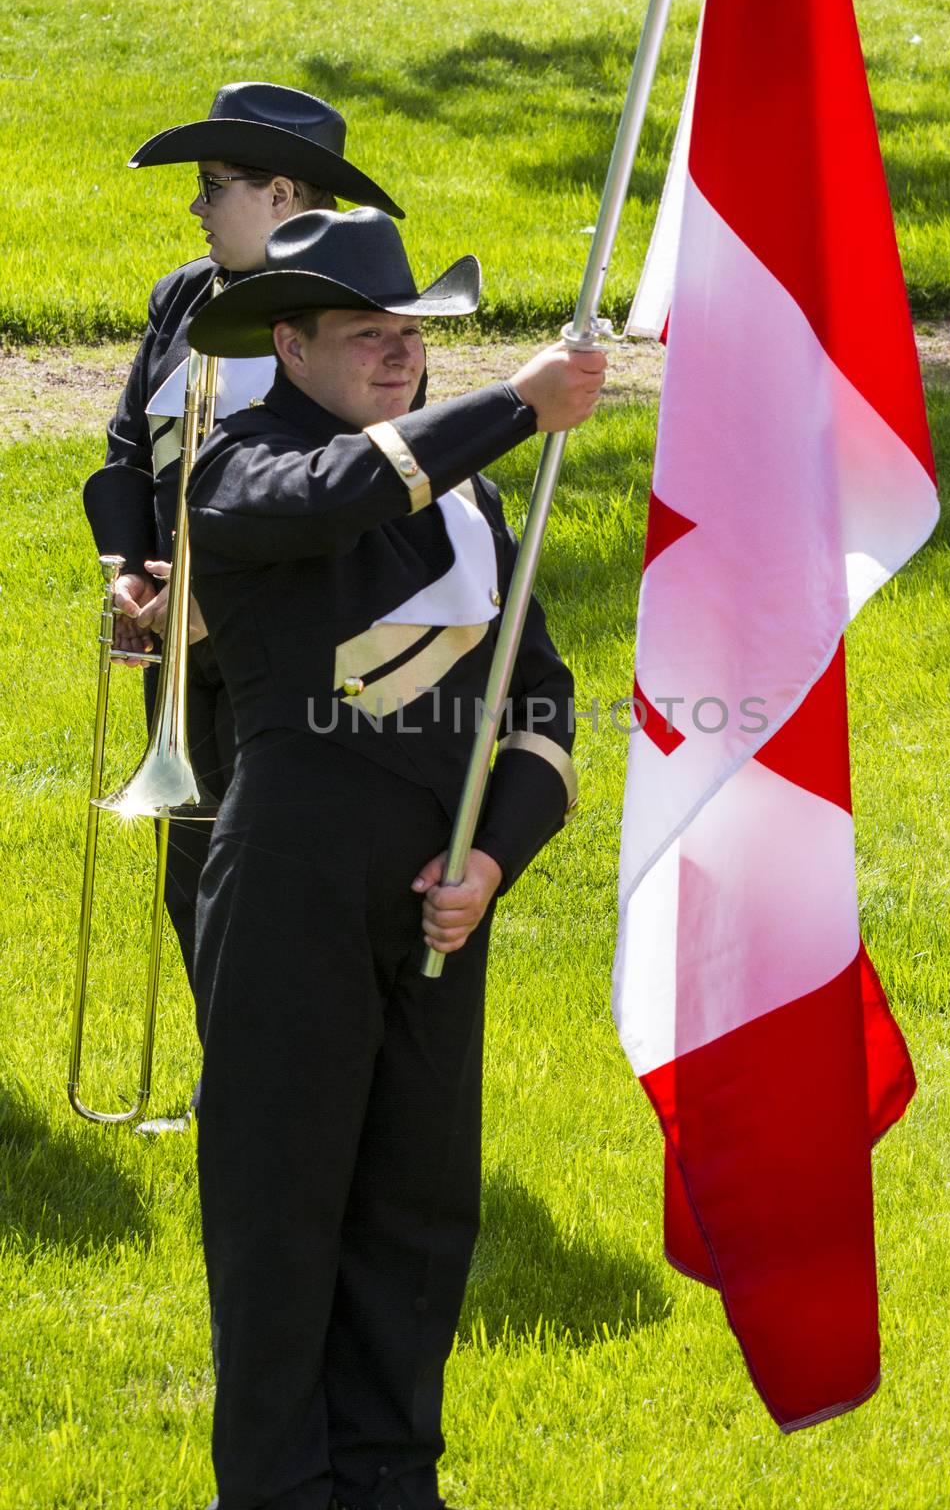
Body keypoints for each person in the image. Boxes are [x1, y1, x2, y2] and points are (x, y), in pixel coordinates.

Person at [182, 205, 606, 1510]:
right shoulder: (240, 466)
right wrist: (515, 403)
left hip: (432, 907)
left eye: (410, 333)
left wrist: (490, 866)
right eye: (364, 333)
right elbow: (344, 489)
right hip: (290, 886)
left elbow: (541, 706)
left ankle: (386, 1481)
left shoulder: (470, 503)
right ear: (290, 343)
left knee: (417, 1224)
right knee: (279, 1224)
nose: (395, 352)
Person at [81, 83, 403, 1130]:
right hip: (178, 635)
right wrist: (124, 567)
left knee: (271, 887)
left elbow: (355, 496)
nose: (197, 208)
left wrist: (212, 600)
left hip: (283, 641)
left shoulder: (352, 315)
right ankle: (241, 1096)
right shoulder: (183, 297)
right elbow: (131, 452)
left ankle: (294, 1108)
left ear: (277, 192)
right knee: (193, 878)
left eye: (213, 189)